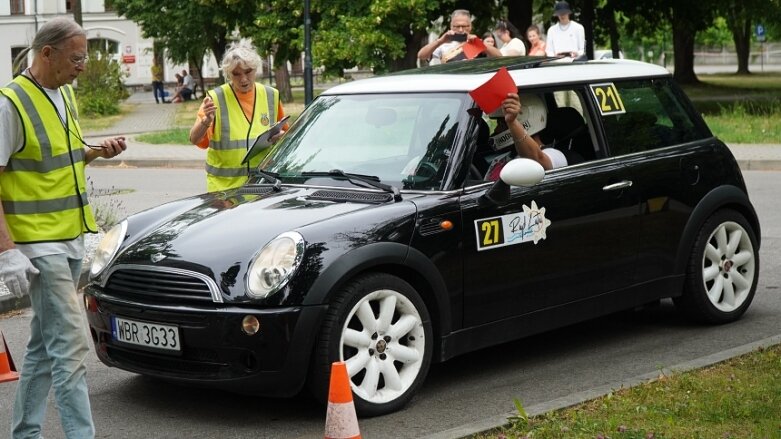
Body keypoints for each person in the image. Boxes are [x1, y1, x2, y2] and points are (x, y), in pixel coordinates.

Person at [0, 17, 127, 439]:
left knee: (40, 347)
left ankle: (25, 433)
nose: (83, 66)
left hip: (71, 236)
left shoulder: (64, 95)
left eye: (86, 57)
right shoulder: (10, 104)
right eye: (77, 58)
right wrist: (6, 250)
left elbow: (63, 160)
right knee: (70, 348)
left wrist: (96, 153)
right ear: (46, 53)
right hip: (38, 246)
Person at [189, 41, 288, 192]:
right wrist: (205, 122)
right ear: (228, 74)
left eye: (248, 72)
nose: (243, 79)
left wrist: (279, 138)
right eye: (236, 74)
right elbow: (194, 139)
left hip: (261, 186)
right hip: (224, 191)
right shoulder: (216, 98)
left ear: (255, 69)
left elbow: (286, 137)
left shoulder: (271, 95)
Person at [482, 93, 567, 179]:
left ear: (521, 121)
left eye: (501, 124)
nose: (496, 130)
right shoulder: (499, 160)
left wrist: (512, 122)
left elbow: (536, 161)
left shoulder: (555, 156)